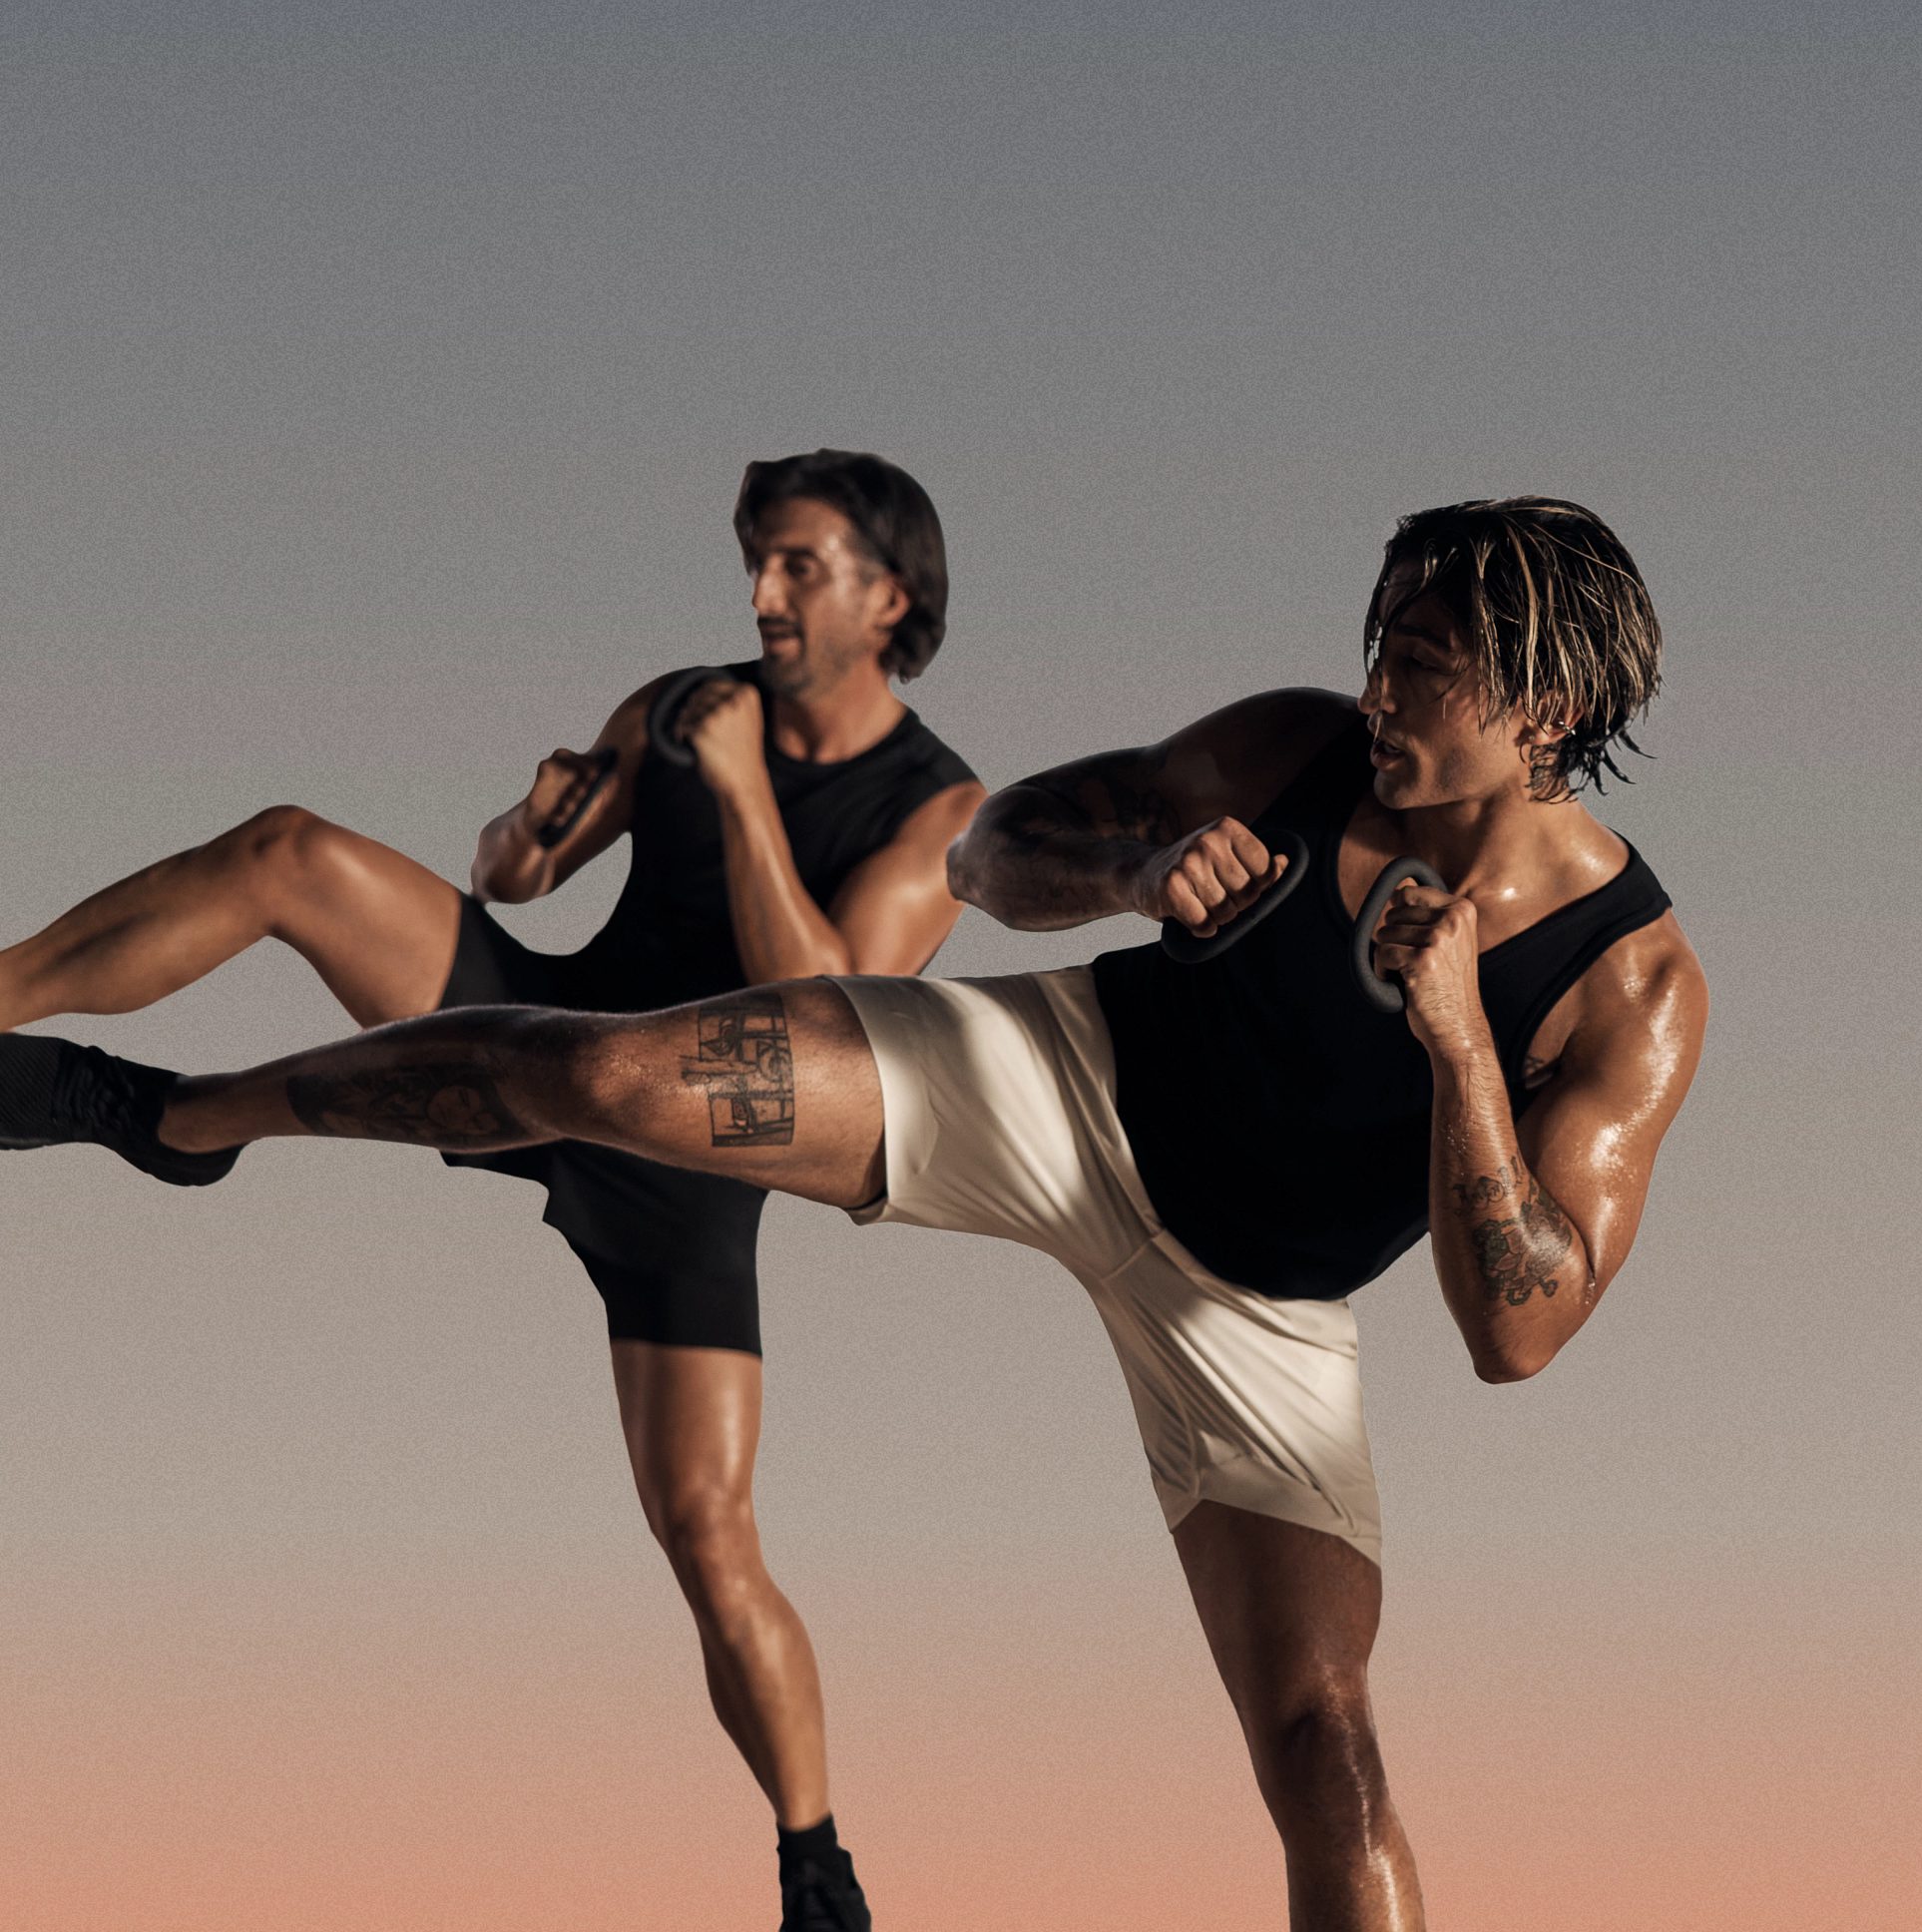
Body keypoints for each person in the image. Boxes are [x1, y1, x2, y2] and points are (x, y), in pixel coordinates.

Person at [5, 495, 1706, 1932]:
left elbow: (1517, 1337)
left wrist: (1460, 1047)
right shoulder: (1298, 749)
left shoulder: (1629, 987)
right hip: (1060, 1081)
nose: (1378, 683)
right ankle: (180, 1118)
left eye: (1425, 663)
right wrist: (1132, 873)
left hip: (1255, 1311)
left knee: (1326, 1751)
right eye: (1379, 637)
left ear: (1548, 707)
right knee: (597, 1073)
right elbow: (992, 851)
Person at [0, 449, 984, 1932]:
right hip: (536, 1030)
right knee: (287, 851)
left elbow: (821, 1012)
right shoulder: (679, 707)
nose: (763, 594)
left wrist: (740, 793)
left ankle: (816, 1868)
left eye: (799, 566)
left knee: (710, 1536)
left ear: (889, 597)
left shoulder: (940, 809)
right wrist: (529, 834)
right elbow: (516, 877)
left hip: (696, 1161)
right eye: (757, 562)